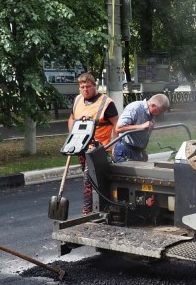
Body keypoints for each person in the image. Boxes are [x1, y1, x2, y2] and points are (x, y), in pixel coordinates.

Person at [68, 72, 118, 214]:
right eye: (82, 87)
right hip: (81, 148)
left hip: (99, 149)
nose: (85, 89)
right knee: (94, 181)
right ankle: (104, 206)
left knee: (88, 179)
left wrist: (114, 145)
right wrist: (72, 136)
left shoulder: (106, 103)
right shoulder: (77, 100)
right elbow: (72, 118)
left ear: (95, 86)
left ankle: (87, 211)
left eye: (88, 86)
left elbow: (116, 124)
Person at [112, 93, 170, 162]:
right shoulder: (134, 108)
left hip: (137, 152)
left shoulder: (153, 115)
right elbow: (118, 128)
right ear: (153, 105)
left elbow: (144, 134)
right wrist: (141, 126)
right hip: (125, 150)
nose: (161, 114)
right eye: (161, 111)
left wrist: (142, 150)